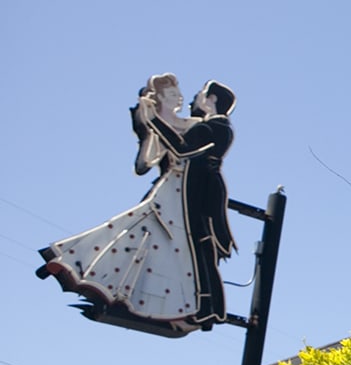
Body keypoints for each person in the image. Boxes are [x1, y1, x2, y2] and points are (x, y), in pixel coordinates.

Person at [38, 75, 205, 332]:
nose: (180, 98)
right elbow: (144, 164)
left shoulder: (193, 125)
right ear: (159, 98)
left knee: (167, 249)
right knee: (145, 239)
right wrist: (149, 127)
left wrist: (155, 123)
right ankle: (79, 266)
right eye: (172, 94)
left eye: (178, 94)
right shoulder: (162, 126)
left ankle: (153, 303)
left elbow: (188, 149)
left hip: (185, 191)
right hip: (170, 189)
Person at [145, 80, 237, 327]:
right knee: (201, 249)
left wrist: (153, 120)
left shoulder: (212, 127)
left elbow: (181, 148)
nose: (195, 99)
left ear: (212, 100)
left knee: (201, 248)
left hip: (202, 192)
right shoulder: (216, 126)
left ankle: (207, 307)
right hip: (203, 189)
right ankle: (208, 307)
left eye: (201, 95)